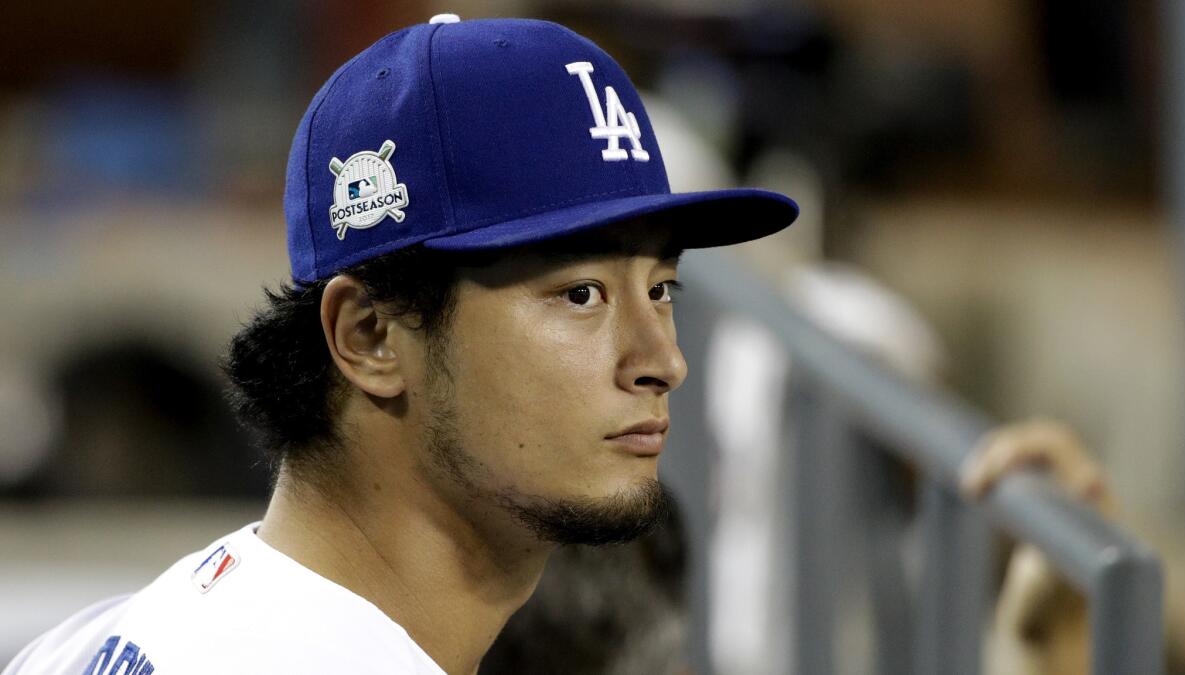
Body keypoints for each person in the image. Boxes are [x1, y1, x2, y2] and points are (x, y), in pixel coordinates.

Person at [2, 14, 799, 675]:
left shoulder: (108, 636)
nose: (663, 360)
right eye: (580, 294)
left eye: (661, 290)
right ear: (371, 336)